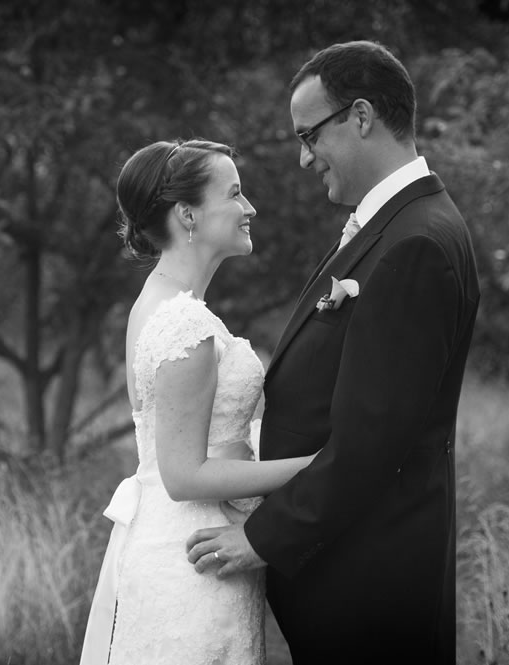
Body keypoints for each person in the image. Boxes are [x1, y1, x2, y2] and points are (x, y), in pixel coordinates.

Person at [186, 40, 480, 664]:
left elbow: (372, 443)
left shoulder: (414, 244)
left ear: (363, 116)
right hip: (354, 571)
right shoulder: (395, 227)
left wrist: (261, 538)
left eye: (310, 135)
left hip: (369, 586)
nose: (302, 157)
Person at [79, 139, 315, 665]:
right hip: (195, 556)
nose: (249, 207)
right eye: (234, 193)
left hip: (185, 543)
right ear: (188, 214)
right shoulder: (183, 323)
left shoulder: (161, 306)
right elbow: (183, 475)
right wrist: (313, 467)